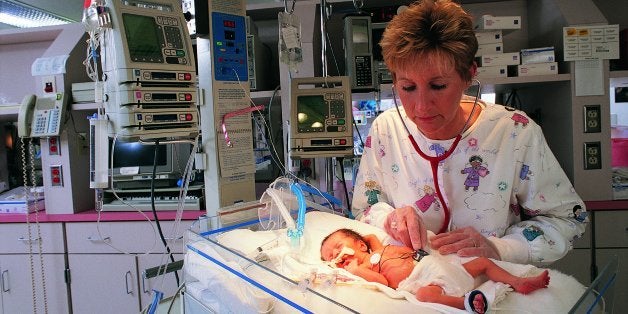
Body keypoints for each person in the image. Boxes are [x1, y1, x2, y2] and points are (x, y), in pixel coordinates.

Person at [351, 0, 587, 264]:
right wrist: (389, 219)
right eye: (407, 87)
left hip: (490, 287)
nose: (421, 107)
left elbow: (568, 219)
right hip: (414, 287)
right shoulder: (387, 130)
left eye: (438, 86)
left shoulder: (515, 132)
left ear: (468, 75)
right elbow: (365, 208)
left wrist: (501, 248)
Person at [320, 228, 549, 312]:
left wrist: (363, 240)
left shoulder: (376, 249)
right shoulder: (364, 267)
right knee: (424, 295)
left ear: (360, 245)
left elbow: (369, 235)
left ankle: (518, 281)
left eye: (338, 248)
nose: (335, 257)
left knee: (483, 262)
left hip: (438, 266)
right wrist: (355, 269)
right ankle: (467, 304)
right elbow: (381, 280)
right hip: (428, 282)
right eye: (329, 258)